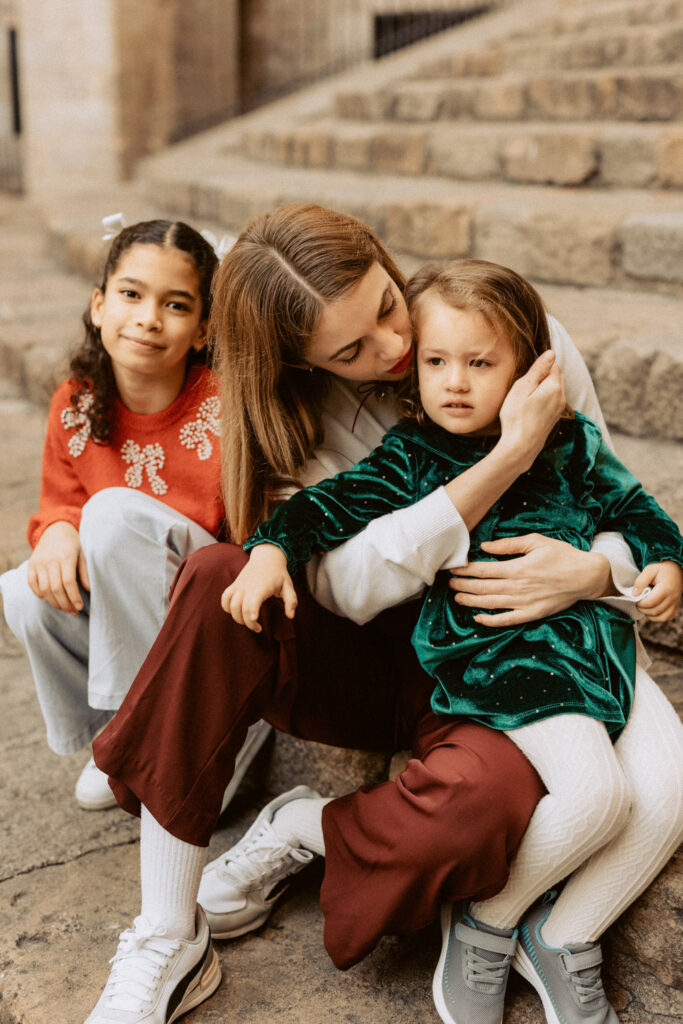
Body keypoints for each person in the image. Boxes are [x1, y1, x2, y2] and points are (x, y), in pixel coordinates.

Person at [84, 204, 655, 1024]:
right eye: (349, 351)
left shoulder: (505, 332)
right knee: (217, 575)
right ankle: (167, 931)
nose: (391, 349)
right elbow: (346, 588)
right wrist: (501, 463)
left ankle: (308, 825)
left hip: (487, 655)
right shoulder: (294, 417)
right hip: (357, 651)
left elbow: (609, 488)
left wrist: (599, 569)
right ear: (300, 362)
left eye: (387, 308)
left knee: (480, 815)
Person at [225, 258, 683, 1024]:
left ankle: (564, 935)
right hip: (504, 656)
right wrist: (269, 551)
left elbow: (635, 509)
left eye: (479, 363)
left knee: (667, 794)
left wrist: (660, 561)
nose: (456, 383)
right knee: (597, 796)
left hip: (596, 645)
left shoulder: (565, 440)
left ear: (527, 365)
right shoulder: (415, 456)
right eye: (437, 363)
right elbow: (323, 512)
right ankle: (486, 920)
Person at [0, 218, 269, 811]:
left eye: (175, 305)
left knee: (112, 514)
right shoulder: (78, 402)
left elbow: (247, 530)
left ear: (202, 330)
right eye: (130, 294)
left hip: (212, 611)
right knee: (22, 592)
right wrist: (57, 531)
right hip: (132, 610)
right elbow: (61, 497)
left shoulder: (224, 404)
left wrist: (88, 519)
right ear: (98, 306)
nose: (148, 317)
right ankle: (118, 733)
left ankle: (172, 744)